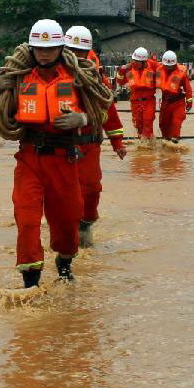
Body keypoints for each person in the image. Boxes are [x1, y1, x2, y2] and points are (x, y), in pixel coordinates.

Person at [0, 19, 112, 288]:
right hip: (30, 157)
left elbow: (102, 109)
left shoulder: (78, 77)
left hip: (65, 158)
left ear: (60, 48)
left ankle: (64, 263)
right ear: (31, 49)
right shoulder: (18, 77)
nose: (44, 54)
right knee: (27, 219)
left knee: (68, 221)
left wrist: (81, 119)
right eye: (39, 49)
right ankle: (30, 283)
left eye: (50, 48)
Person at [63, 26, 127, 247]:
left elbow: (108, 109)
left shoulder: (96, 77)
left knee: (91, 190)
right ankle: (66, 239)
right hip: (60, 143)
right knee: (62, 193)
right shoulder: (54, 72)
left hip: (89, 144)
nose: (76, 55)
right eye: (71, 50)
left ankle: (86, 225)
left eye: (80, 51)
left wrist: (117, 142)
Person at [116, 47, 159, 140]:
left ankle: (147, 149)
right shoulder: (128, 69)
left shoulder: (153, 66)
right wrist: (121, 70)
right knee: (138, 125)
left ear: (144, 62)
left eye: (138, 61)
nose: (135, 63)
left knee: (147, 122)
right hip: (135, 101)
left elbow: (164, 71)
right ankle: (143, 145)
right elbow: (120, 82)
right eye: (134, 60)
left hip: (149, 101)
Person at [155, 50, 194, 142]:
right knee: (163, 124)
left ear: (175, 64)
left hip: (178, 102)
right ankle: (166, 142)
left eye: (170, 66)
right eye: (166, 65)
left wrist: (189, 102)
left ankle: (175, 144)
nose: (168, 67)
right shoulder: (159, 70)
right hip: (165, 102)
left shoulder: (181, 72)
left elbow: (188, 88)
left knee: (176, 123)